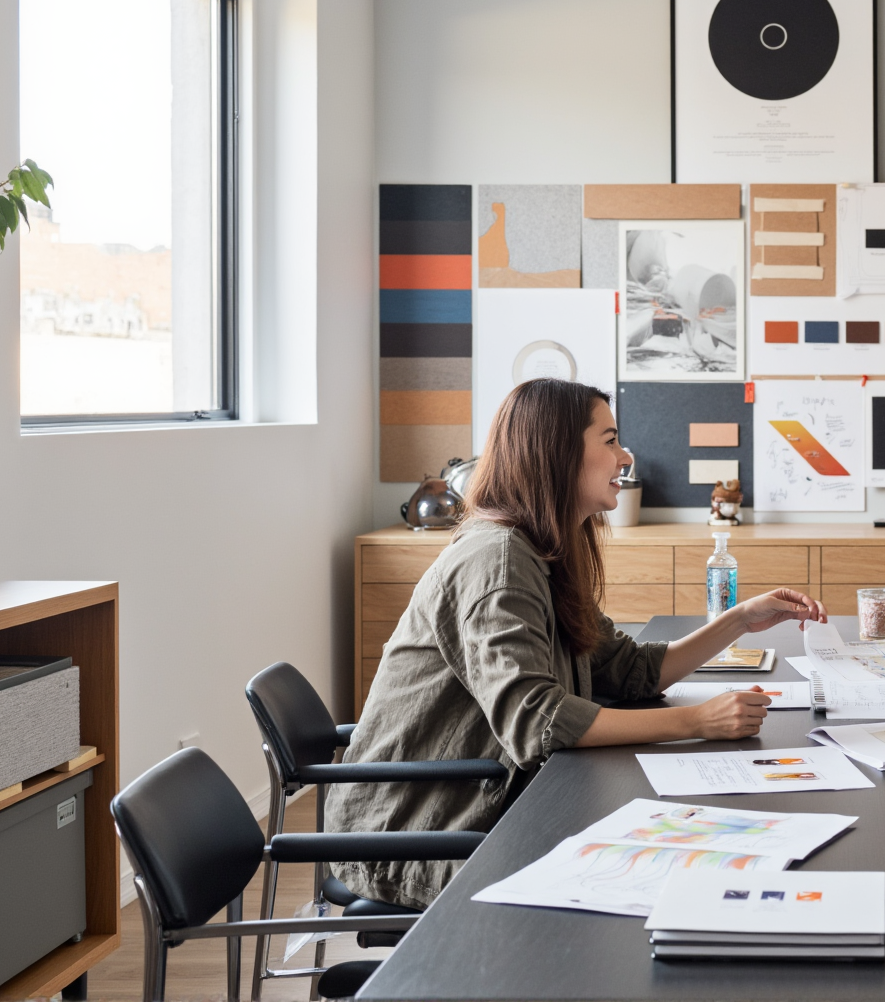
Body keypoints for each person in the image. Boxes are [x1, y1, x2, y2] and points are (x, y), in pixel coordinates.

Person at [329, 378, 827, 908]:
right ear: (558, 453)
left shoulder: (541, 552)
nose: (626, 456)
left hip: (498, 801)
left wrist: (740, 620)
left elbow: (628, 670)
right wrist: (696, 721)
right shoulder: (497, 560)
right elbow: (537, 722)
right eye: (610, 440)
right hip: (424, 828)